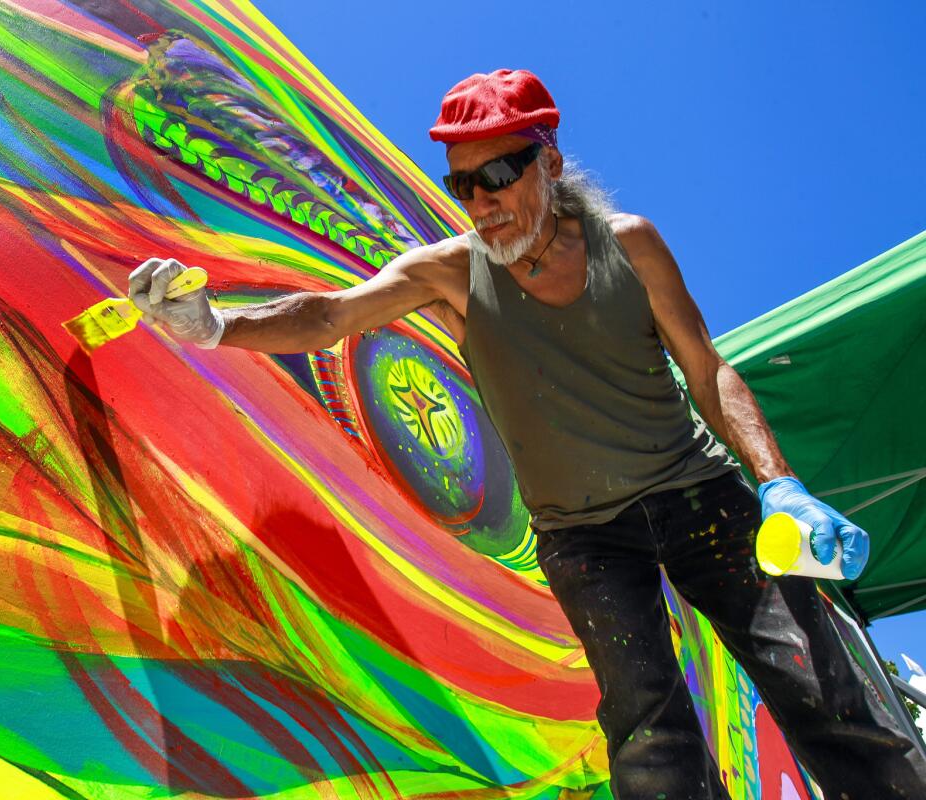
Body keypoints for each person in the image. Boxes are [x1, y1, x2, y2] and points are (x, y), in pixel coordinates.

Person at [128, 69, 926, 799]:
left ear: (548, 163)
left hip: (696, 492)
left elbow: (707, 368)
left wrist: (779, 484)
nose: (481, 202)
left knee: (818, 681)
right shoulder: (446, 272)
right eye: (464, 184)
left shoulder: (630, 244)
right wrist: (215, 325)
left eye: (499, 176)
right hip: (584, 534)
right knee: (648, 725)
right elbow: (333, 315)